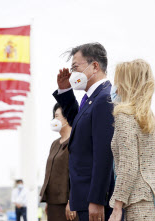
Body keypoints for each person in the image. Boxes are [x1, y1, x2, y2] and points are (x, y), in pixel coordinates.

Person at [53, 43, 116, 221]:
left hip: (93, 201)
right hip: (82, 198)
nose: (73, 74)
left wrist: (97, 199)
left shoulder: (105, 98)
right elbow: (79, 126)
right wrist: (65, 90)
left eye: (76, 68)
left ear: (94, 66)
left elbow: (104, 154)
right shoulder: (91, 99)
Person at [108, 60, 155, 221]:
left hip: (139, 202)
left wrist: (117, 207)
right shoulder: (151, 118)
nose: (115, 87)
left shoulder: (124, 117)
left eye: (117, 82)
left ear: (127, 85)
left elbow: (129, 166)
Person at [40, 103, 78, 221]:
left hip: (67, 203)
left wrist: (72, 201)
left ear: (67, 117)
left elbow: (77, 174)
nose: (54, 120)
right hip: (53, 203)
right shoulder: (55, 144)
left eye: (57, 116)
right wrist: (48, 202)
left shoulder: (75, 141)